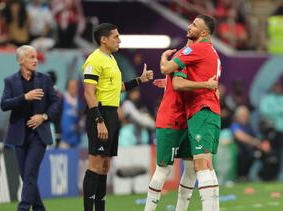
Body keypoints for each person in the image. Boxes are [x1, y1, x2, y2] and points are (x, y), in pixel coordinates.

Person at [82, 23, 153, 211]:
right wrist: (99, 121)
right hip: (100, 114)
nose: (119, 39)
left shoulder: (111, 59)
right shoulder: (94, 60)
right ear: (103, 39)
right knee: (95, 164)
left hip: (112, 114)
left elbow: (117, 87)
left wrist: (140, 80)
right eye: (115, 36)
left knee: (105, 166)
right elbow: (89, 93)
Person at [145, 38, 218, 211]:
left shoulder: (193, 61)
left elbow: (176, 82)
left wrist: (167, 82)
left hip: (188, 119)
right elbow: (177, 84)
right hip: (170, 119)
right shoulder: (183, 57)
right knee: (163, 169)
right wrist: (206, 85)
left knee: (192, 168)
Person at [160, 15, 221, 211]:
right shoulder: (212, 52)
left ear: (204, 33)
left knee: (201, 166)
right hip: (209, 111)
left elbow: (166, 68)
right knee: (206, 165)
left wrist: (163, 57)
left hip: (202, 110)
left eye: (194, 25)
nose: (189, 26)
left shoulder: (196, 49)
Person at [0, 45, 60, 211]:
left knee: (30, 173)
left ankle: (23, 207)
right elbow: (4, 105)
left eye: (36, 57)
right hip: (19, 135)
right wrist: (24, 97)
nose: (36, 60)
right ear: (21, 60)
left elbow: (55, 102)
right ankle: (39, 208)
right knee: (26, 176)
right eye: (31, 57)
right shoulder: (10, 81)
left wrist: (44, 116)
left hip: (39, 136)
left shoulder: (45, 79)